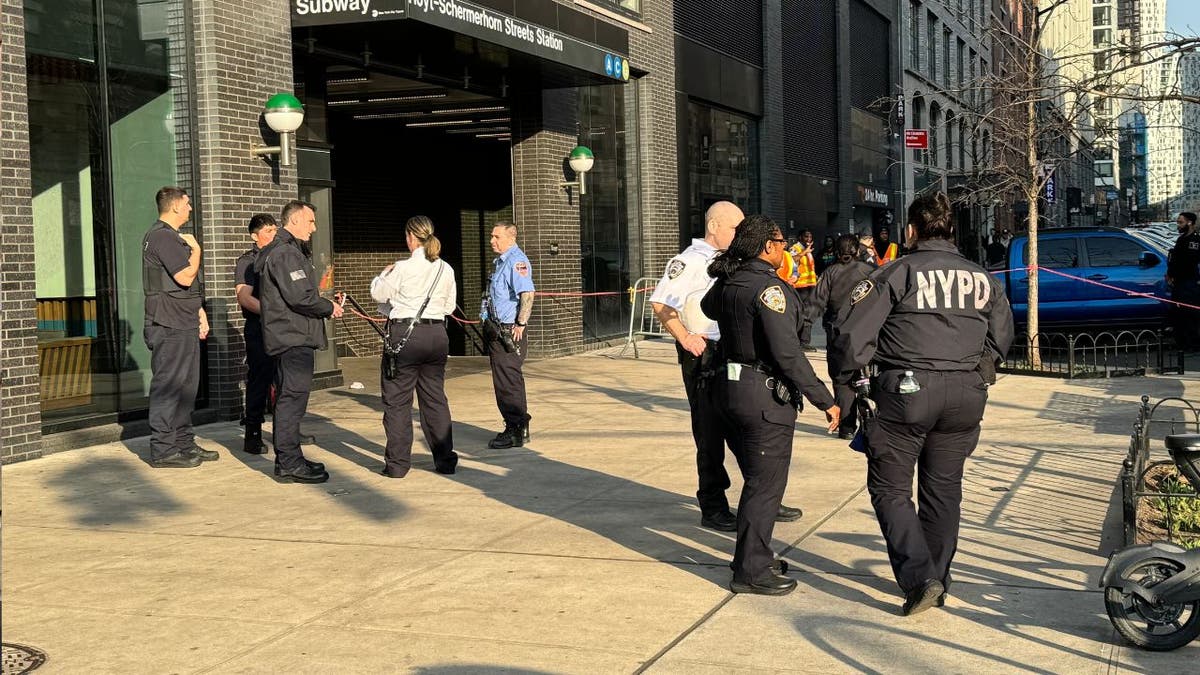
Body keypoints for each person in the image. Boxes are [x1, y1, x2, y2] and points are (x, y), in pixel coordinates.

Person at [827, 192, 1014, 616]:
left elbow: (851, 337)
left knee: (890, 488)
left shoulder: (896, 272)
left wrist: (846, 388)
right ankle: (937, 578)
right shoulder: (981, 277)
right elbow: (1002, 335)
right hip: (965, 394)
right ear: (951, 228)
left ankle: (919, 578)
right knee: (944, 491)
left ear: (911, 230)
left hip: (905, 391)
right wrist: (980, 369)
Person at [701, 214, 840, 596]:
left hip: (727, 391)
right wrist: (824, 399)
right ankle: (751, 570)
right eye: (781, 241)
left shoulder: (730, 280)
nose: (785, 248)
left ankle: (751, 554)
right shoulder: (769, 289)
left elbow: (709, 307)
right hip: (762, 395)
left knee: (757, 483)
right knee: (765, 487)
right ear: (768, 246)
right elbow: (788, 354)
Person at [650, 202, 806, 532]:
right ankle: (713, 504)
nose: (739, 235)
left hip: (732, 354)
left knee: (743, 429)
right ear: (714, 227)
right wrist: (686, 338)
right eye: (735, 229)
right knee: (709, 433)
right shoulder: (688, 262)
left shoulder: (733, 263)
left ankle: (763, 497)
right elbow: (661, 302)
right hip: (704, 355)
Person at [255, 200, 344, 483]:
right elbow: (300, 298)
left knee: (290, 399)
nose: (314, 228)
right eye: (310, 222)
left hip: (292, 335)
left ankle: (291, 458)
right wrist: (328, 307)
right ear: (293, 221)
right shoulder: (285, 254)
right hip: (292, 338)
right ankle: (290, 463)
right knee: (292, 401)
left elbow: (299, 294)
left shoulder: (287, 251)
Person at [370, 216, 459, 477]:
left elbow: (378, 294)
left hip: (405, 334)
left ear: (410, 237)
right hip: (436, 334)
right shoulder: (445, 268)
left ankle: (397, 465)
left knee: (397, 401)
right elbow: (450, 306)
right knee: (434, 399)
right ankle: (445, 460)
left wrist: (383, 274)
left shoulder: (401, 268)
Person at [142, 187, 217, 468]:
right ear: (174, 207)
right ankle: (163, 450)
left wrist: (200, 314)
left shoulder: (171, 237)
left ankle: (183, 444)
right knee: (169, 386)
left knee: (187, 387)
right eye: (187, 204)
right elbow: (185, 277)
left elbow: (185, 289)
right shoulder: (162, 236)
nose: (190, 208)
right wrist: (197, 249)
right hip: (168, 322)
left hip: (183, 319)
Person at [809, 234, 875, 439]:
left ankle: (846, 427)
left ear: (837, 252)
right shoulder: (871, 272)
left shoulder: (830, 273)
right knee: (874, 377)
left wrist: (800, 327)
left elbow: (815, 304)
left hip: (839, 336)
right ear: (857, 251)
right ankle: (874, 425)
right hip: (869, 335)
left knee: (842, 382)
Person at [483, 221, 535, 449]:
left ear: (511, 238)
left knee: (508, 382)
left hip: (507, 331)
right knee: (504, 380)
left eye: (497, 237)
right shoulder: (500, 262)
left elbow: (528, 293)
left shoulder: (516, 261)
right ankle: (516, 425)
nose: (492, 241)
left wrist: (520, 323)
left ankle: (515, 429)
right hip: (496, 329)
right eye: (492, 236)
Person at [234, 213, 278, 455]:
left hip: (282, 329)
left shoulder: (281, 257)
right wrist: (273, 313)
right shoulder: (248, 262)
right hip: (259, 328)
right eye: (267, 231)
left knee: (284, 380)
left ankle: (286, 431)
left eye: (275, 230)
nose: (273, 235)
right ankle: (252, 434)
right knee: (259, 381)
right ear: (254, 236)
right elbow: (244, 297)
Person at [1167, 211, 1200, 351]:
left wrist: (1174, 273)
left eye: (1180, 222)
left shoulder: (1195, 241)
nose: (1178, 225)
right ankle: (1182, 342)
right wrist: (1170, 274)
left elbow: (1188, 263)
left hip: (1189, 283)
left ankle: (1192, 344)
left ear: (1190, 223)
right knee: (1178, 314)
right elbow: (1175, 260)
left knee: (1189, 314)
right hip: (1179, 284)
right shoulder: (1181, 239)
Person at [781, 230, 818, 351]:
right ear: (800, 237)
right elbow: (791, 261)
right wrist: (803, 253)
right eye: (806, 236)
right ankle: (801, 341)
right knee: (803, 314)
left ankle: (804, 341)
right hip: (800, 287)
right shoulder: (796, 248)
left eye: (810, 236)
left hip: (810, 285)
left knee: (809, 314)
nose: (808, 238)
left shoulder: (808, 249)